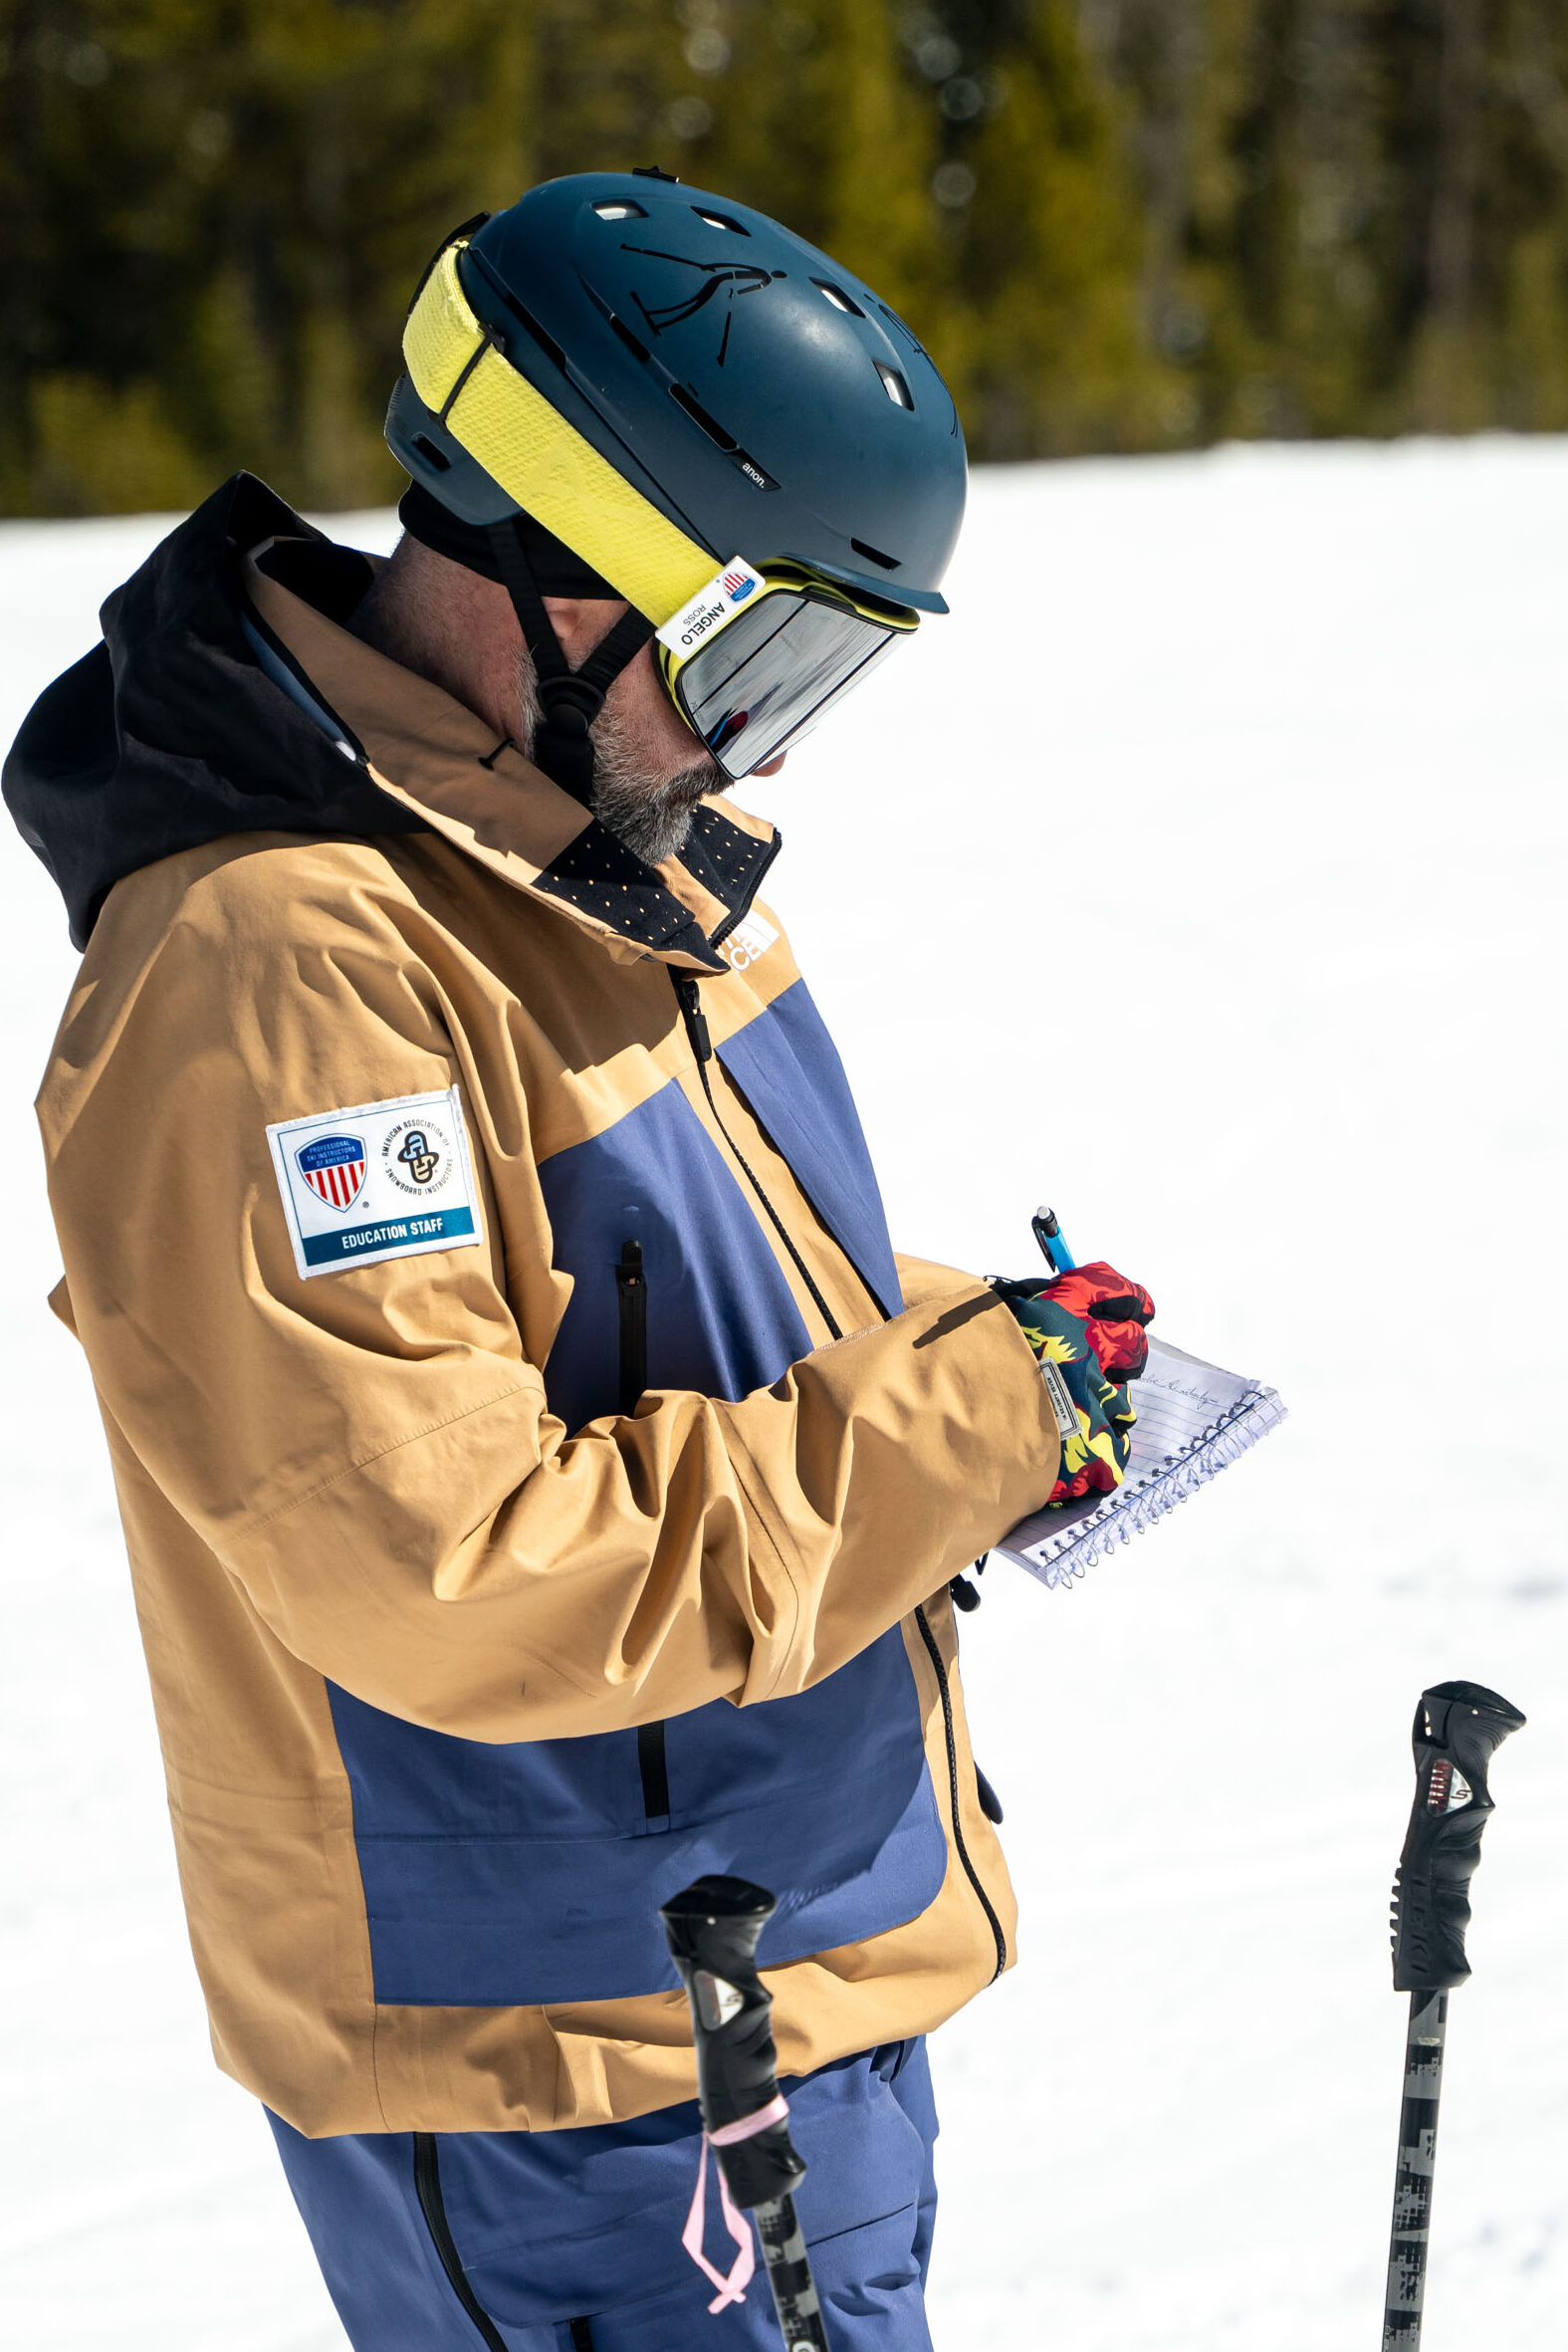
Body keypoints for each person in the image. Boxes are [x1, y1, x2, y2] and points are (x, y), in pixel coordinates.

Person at [4, 172, 1151, 2350]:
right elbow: (447, 1551)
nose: (780, 738)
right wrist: (941, 1429)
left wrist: (985, 1365)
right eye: (760, 650)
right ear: (560, 570)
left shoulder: (578, 855)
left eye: (837, 663)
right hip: (575, 2070)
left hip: (749, 1981)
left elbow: (647, 1292)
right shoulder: (290, 967)